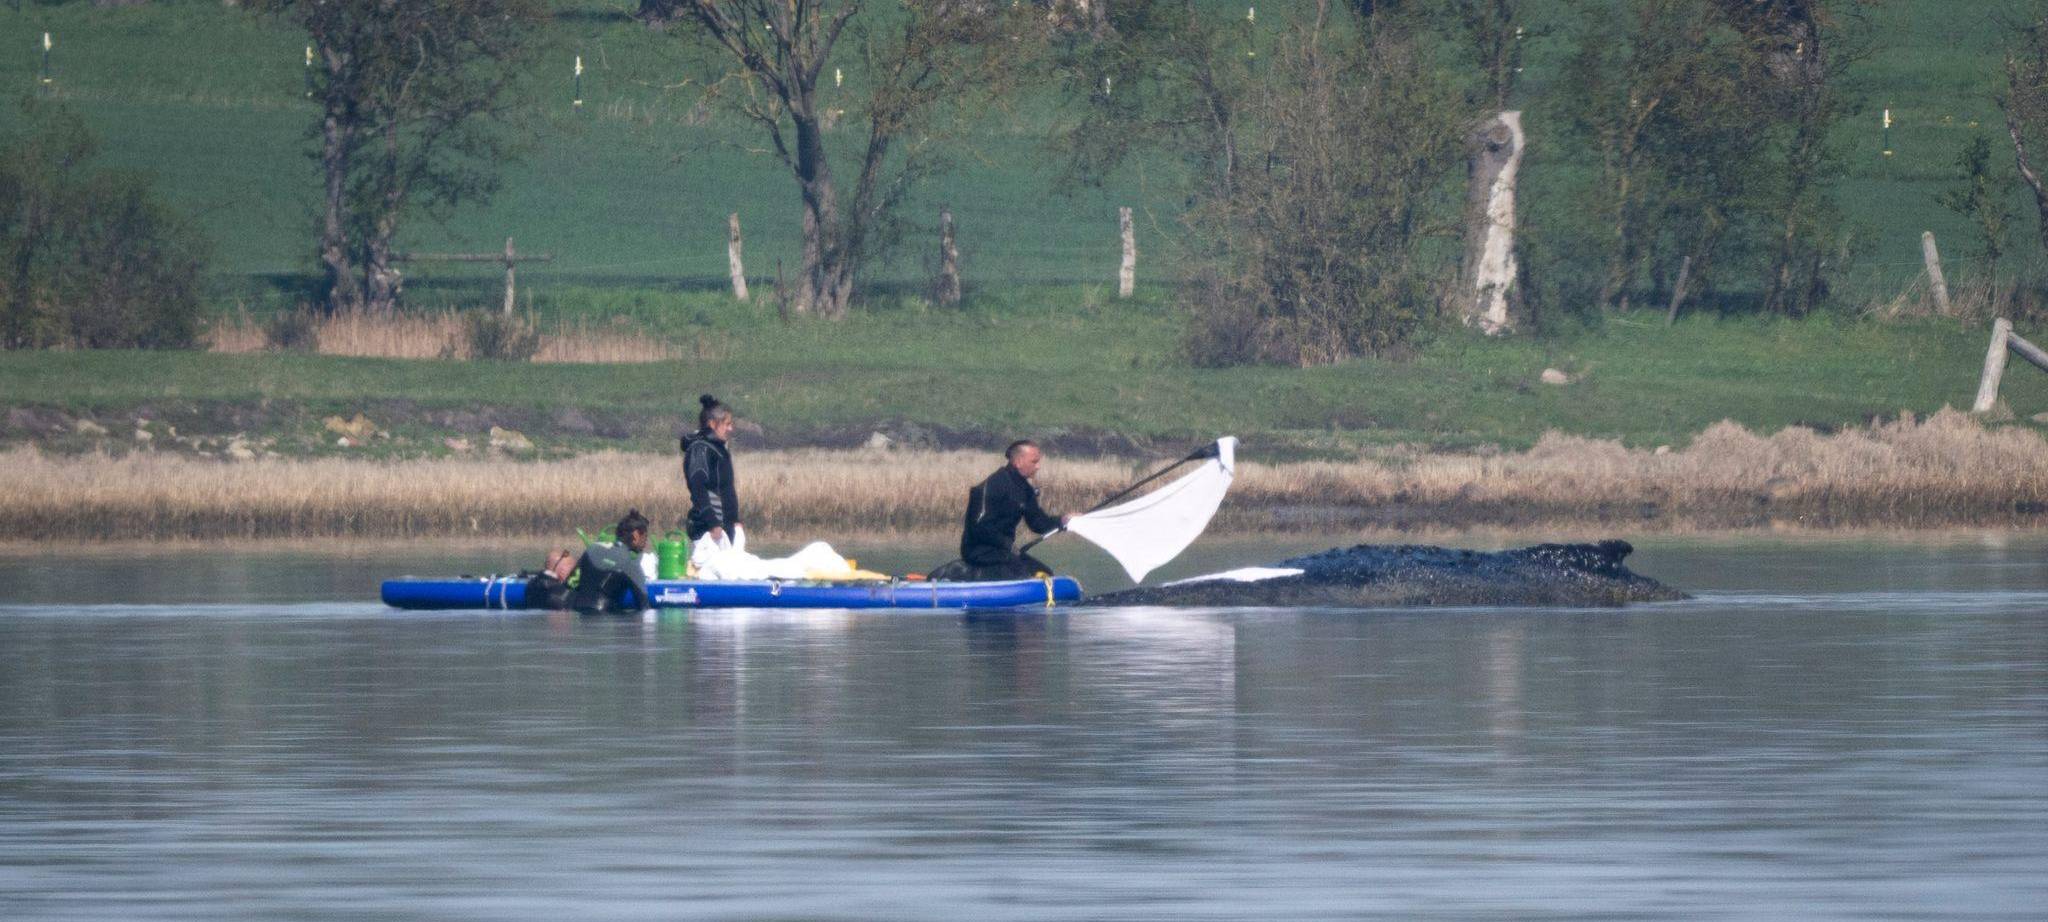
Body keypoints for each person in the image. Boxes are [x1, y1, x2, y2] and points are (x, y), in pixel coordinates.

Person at [949, 439, 1073, 580]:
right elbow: (978, 526)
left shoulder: (1025, 490)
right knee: (1021, 573)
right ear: (1018, 461)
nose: (1038, 467)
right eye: (1034, 462)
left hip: (1004, 551)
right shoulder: (992, 485)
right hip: (978, 550)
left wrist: (1063, 521)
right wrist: (1006, 544)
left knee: (1045, 572)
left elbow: (1038, 523)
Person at [680, 394, 742, 554]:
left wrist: (735, 521)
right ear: (713, 424)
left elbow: (726, 490)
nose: (730, 429)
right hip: (708, 530)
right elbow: (698, 487)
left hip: (724, 529)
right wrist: (713, 524)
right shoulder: (700, 449)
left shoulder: (719, 450)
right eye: (727, 424)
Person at [566, 509, 653, 613]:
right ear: (636, 535)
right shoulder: (631, 564)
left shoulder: (592, 549)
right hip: (606, 616)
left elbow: (570, 584)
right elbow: (644, 605)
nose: (646, 542)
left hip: (579, 613)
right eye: (645, 537)